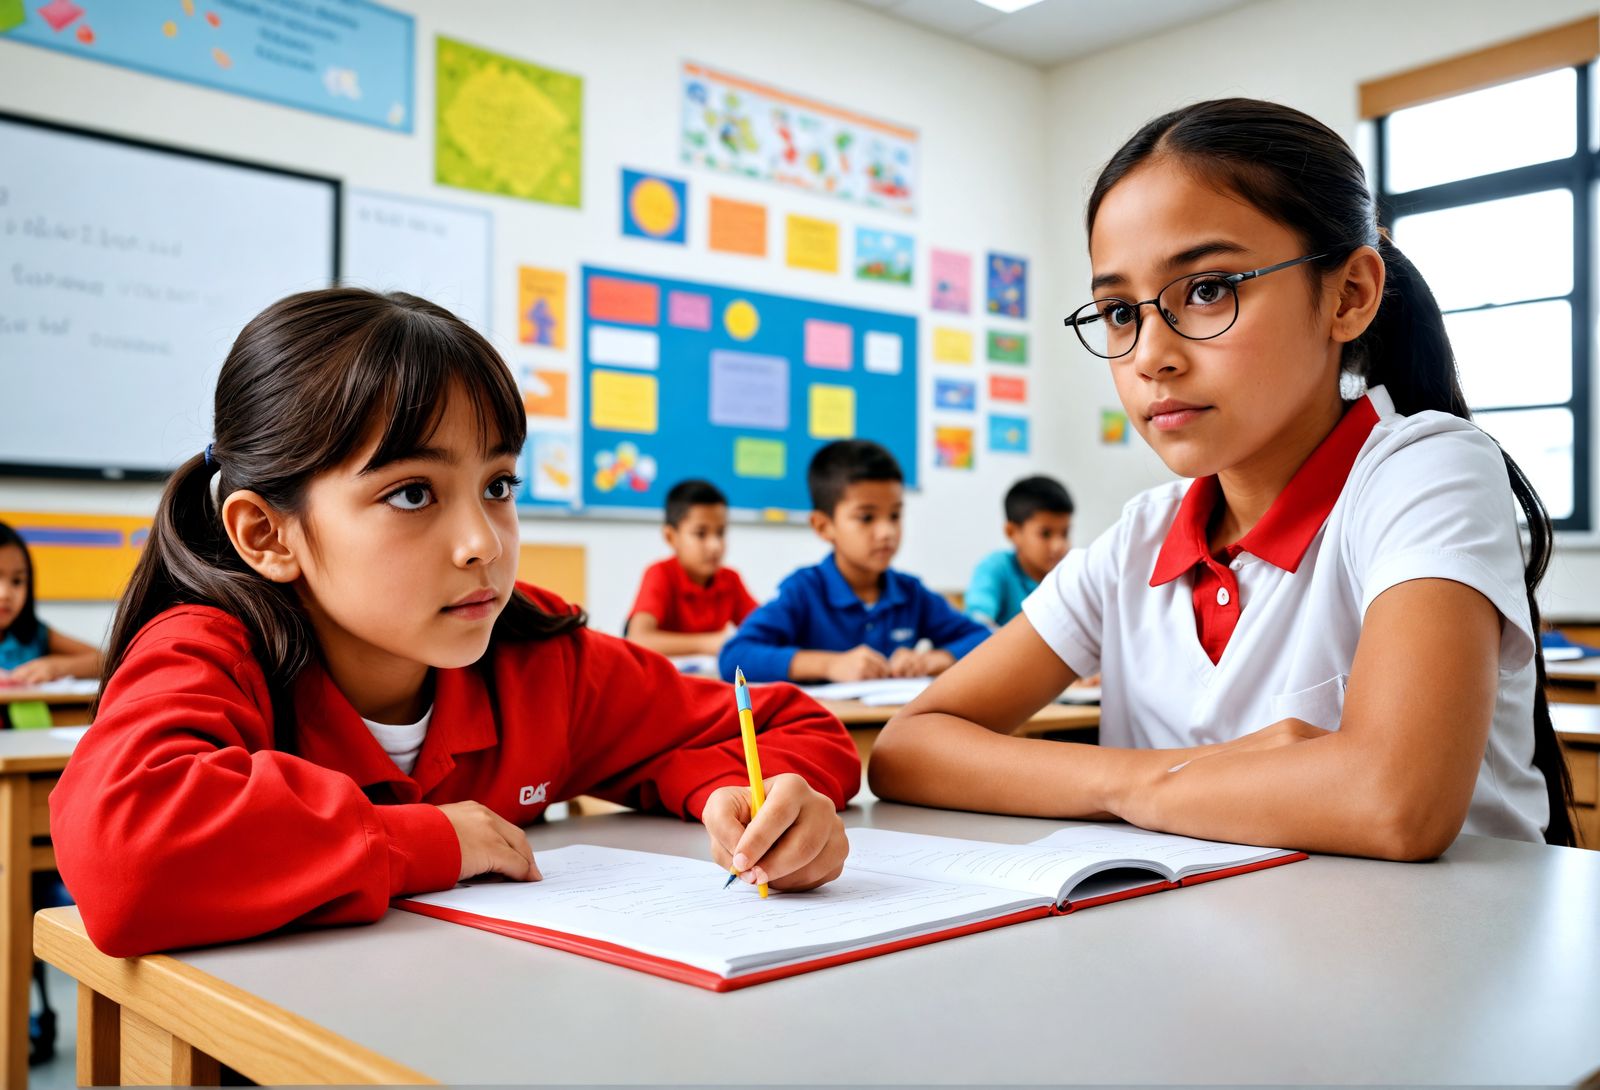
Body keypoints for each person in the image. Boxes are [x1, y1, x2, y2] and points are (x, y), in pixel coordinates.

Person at [50, 288, 860, 958]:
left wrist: (747, 799)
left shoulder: (534, 652)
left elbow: (796, 729)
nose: (483, 544)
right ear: (267, 533)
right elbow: (127, 858)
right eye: (412, 493)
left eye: (500, 485)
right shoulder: (212, 648)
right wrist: (431, 840)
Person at [870, 98, 1573, 858]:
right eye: (1116, 311)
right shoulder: (1141, 536)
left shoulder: (1425, 470)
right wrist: (1138, 784)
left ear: (1350, 295)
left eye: (1207, 289)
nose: (1150, 356)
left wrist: (1141, 789)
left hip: (1438, 959)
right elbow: (910, 749)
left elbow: (1392, 802)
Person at [722, 439, 988, 683]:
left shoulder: (910, 593)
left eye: (894, 516)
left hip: (892, 726)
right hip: (826, 728)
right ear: (824, 526)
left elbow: (984, 639)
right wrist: (829, 665)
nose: (887, 532)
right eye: (866, 518)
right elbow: (735, 656)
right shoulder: (804, 590)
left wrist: (931, 659)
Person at [625, 479, 759, 656]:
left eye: (720, 533)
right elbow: (638, 639)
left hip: (710, 678)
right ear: (671, 537)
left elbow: (765, 628)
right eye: (700, 534)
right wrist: (707, 643)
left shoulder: (730, 579)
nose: (715, 545)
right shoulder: (660, 574)